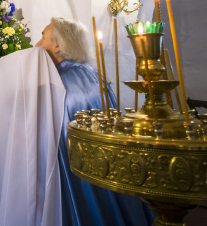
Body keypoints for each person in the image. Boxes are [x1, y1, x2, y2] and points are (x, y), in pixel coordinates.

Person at [36, 17, 153, 226]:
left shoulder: (62, 82)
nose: (36, 45)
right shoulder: (91, 74)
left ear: (56, 44)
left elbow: (58, 139)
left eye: (41, 37)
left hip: (78, 169)